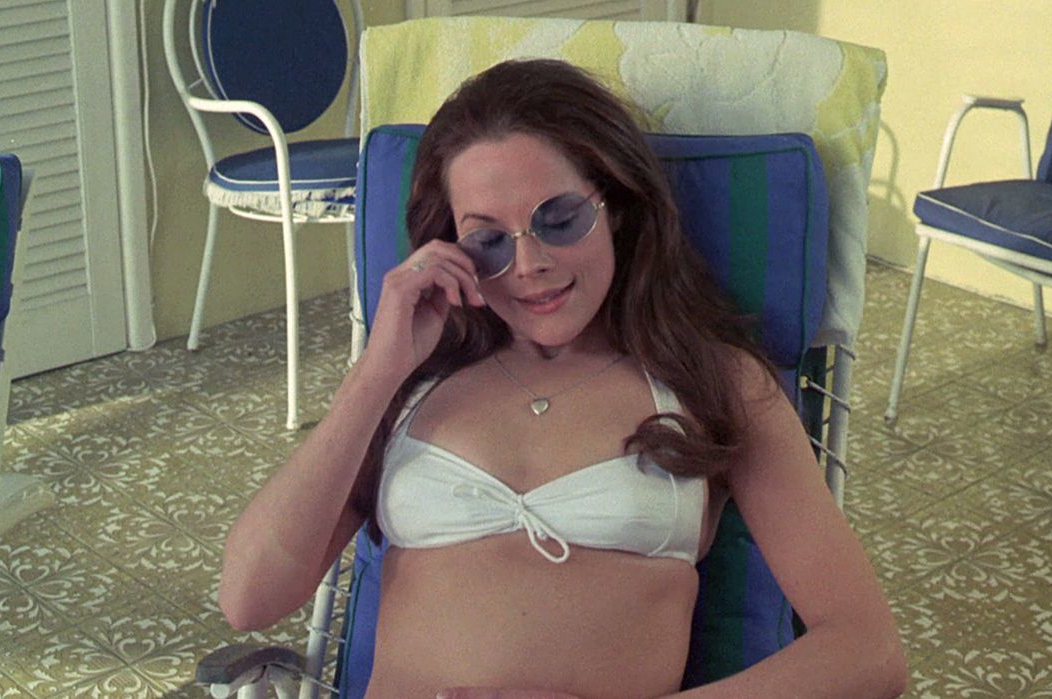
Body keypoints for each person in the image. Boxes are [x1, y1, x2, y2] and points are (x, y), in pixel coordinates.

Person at [218, 58, 907, 699]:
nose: (529, 265)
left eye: (558, 219)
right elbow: (249, 599)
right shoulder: (410, 381)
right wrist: (376, 369)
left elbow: (867, 651)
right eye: (488, 239)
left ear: (618, 210)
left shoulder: (713, 380)